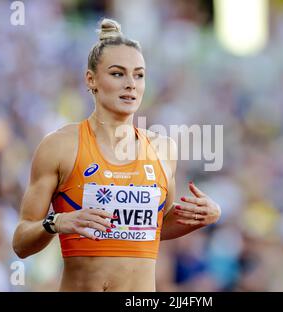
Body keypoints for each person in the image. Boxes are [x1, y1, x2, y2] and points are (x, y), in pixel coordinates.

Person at [12, 18, 221, 292]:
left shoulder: (163, 149)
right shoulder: (59, 146)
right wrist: (59, 222)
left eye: (139, 74)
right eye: (118, 73)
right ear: (91, 80)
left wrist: (205, 215)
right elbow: (20, 243)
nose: (131, 84)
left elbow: (154, 230)